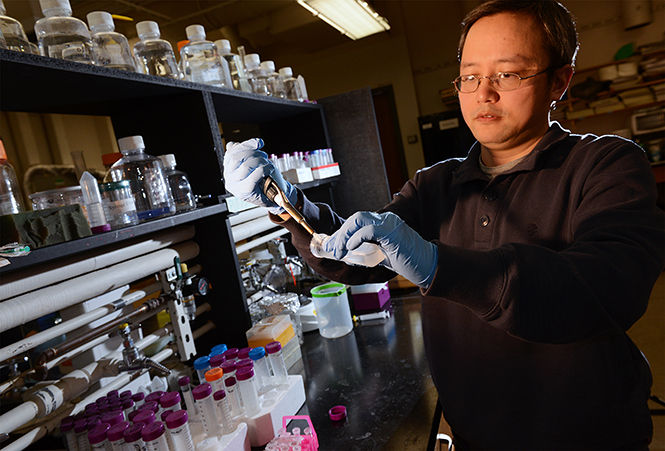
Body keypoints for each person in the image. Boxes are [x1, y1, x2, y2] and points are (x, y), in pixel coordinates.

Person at [223, 0, 665, 448]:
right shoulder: (436, 184)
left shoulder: (606, 165)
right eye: (470, 76)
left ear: (559, 80)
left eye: (508, 74)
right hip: (478, 433)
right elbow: (356, 259)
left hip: (590, 435)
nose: (483, 93)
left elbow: (605, 287)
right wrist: (288, 204)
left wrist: (440, 267)